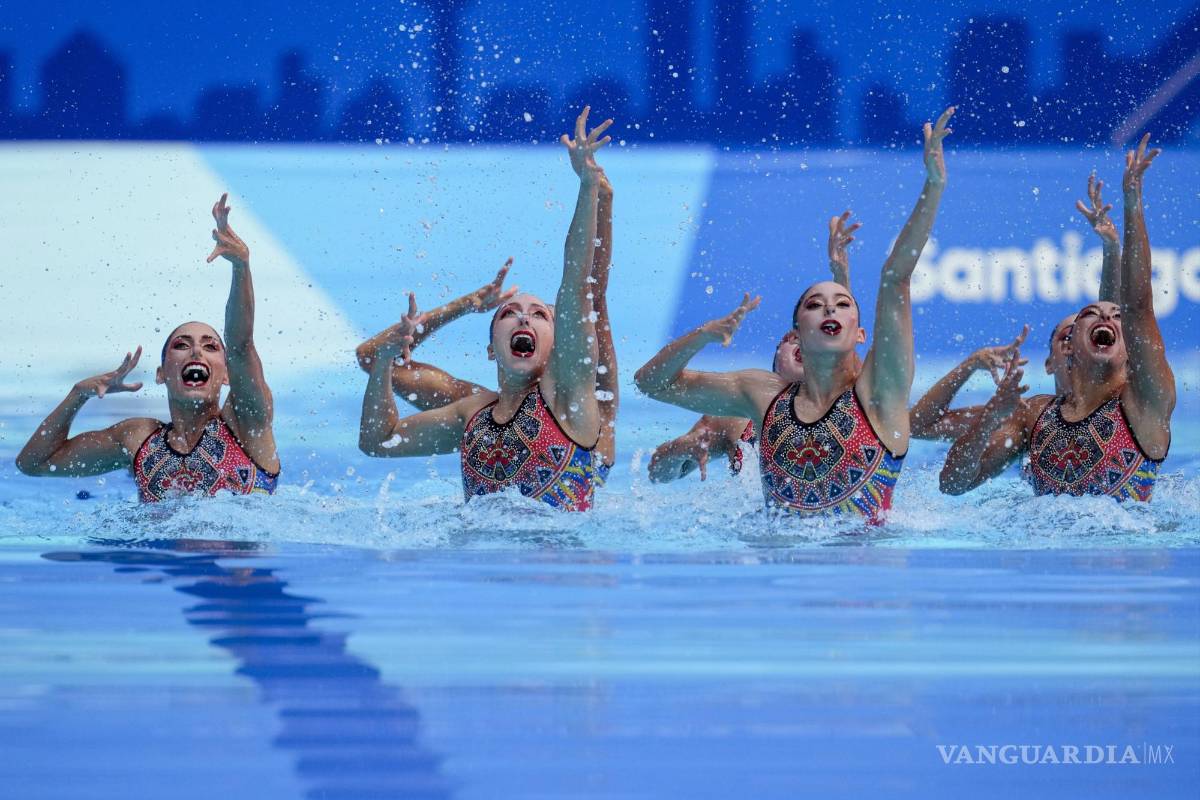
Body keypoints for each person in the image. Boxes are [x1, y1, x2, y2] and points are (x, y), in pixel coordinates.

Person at [635, 110, 955, 522]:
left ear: (860, 334)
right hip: (778, 558)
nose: (829, 308)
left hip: (866, 560)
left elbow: (895, 278)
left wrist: (934, 185)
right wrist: (703, 335)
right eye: (814, 304)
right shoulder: (761, 395)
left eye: (842, 304)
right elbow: (651, 383)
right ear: (796, 335)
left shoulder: (879, 396)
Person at [357, 107, 610, 511]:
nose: (523, 316)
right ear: (491, 349)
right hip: (479, 550)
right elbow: (378, 440)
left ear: (559, 344)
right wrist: (458, 310)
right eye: (508, 313)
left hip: (557, 551)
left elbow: (576, 283)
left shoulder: (569, 397)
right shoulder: (470, 414)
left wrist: (587, 185)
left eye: (540, 315)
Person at [939, 135, 1174, 500]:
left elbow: (1139, 306)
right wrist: (989, 419)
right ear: (1068, 346)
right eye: (1090, 314)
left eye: (1116, 317)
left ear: (1131, 348)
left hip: (1126, 537)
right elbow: (952, 484)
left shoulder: (1142, 405)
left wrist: (1132, 203)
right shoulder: (1034, 415)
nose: (1105, 316)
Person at [15, 195, 280, 502]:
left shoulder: (245, 424)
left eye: (210, 346)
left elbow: (241, 346)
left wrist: (241, 266)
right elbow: (34, 463)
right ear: (161, 374)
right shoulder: (139, 439)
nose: (196, 352)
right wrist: (78, 395)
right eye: (182, 345)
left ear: (227, 375)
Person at [909, 172, 1123, 440]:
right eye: (1067, 337)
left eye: (1090, 333)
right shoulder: (1026, 418)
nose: (1074, 346)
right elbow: (917, 427)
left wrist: (1111, 249)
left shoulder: (1126, 408)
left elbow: (1113, 317)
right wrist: (971, 365)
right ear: (1049, 364)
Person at [647, 212, 857, 482]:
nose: (801, 343)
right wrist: (682, 448)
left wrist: (841, 276)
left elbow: (842, 352)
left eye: (813, 340)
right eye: (793, 338)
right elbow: (658, 474)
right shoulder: (740, 414)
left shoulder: (856, 400)